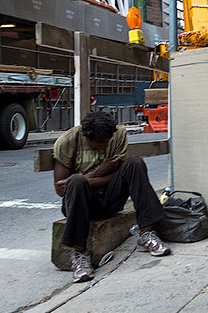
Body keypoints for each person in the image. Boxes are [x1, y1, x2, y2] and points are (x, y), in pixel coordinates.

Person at [53, 111, 170, 282]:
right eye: (96, 144)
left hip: (110, 198)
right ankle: (80, 254)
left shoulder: (118, 135)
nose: (102, 147)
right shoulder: (68, 141)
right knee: (77, 182)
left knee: (135, 163)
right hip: (80, 204)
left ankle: (146, 232)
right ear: (86, 136)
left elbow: (119, 172)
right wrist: (97, 173)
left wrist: (89, 179)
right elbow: (62, 189)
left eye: (105, 142)